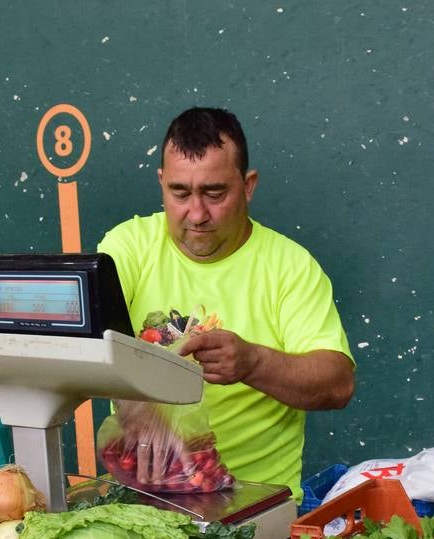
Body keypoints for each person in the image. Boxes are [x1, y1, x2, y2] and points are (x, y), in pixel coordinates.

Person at [97, 107, 355, 499]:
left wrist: (254, 362)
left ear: (248, 185)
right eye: (179, 193)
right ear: (162, 183)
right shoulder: (128, 246)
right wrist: (136, 404)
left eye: (215, 193)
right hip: (140, 492)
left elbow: (337, 383)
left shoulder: (290, 267)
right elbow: (87, 339)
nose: (197, 214)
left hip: (255, 502)